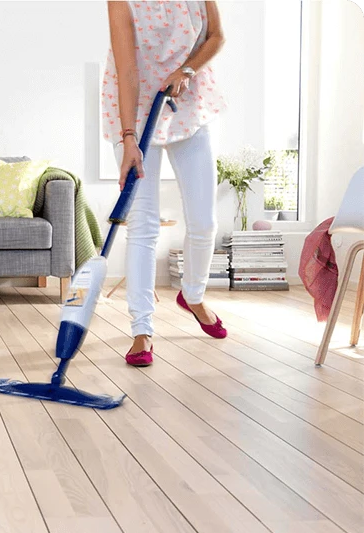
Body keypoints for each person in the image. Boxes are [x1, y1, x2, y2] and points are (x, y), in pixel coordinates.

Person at [103, 0, 228, 367]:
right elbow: (127, 71)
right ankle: (142, 330)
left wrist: (187, 68)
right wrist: (128, 139)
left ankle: (193, 295)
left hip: (187, 101)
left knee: (204, 219)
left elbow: (216, 36)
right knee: (143, 224)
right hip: (135, 109)